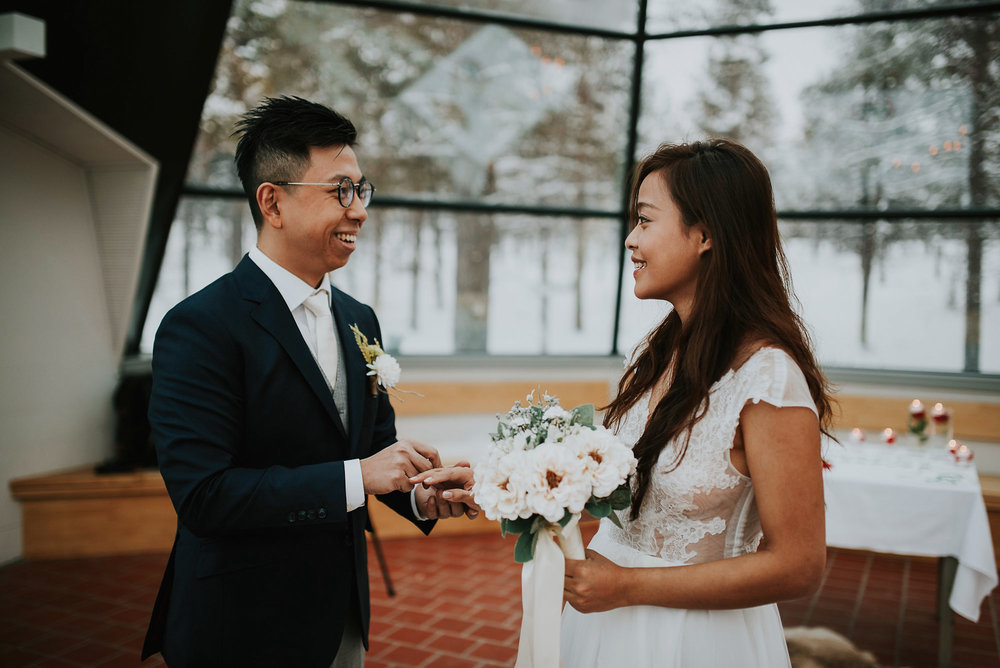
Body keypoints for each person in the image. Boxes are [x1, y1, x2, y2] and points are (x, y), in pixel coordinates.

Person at [141, 96, 475, 668]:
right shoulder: (200, 326)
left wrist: (421, 495)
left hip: (340, 615)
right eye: (339, 191)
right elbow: (204, 496)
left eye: (361, 190)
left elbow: (371, 450)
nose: (359, 211)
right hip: (240, 621)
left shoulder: (359, 318)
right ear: (272, 202)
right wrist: (360, 475)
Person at [558, 139, 833, 666]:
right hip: (603, 628)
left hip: (692, 641)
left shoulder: (768, 380)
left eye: (645, 220)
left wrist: (629, 588)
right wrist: (500, 485)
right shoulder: (660, 352)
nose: (631, 240)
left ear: (705, 234)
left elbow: (799, 566)